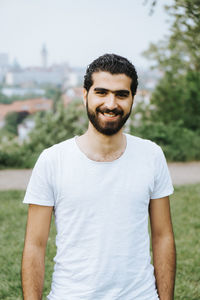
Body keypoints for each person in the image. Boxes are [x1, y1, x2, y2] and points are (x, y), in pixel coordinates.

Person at [21, 53, 176, 300]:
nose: (111, 104)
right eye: (101, 92)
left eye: (121, 94)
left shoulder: (152, 155)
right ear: (85, 95)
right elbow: (34, 246)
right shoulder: (52, 160)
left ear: (133, 98)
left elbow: (163, 236)